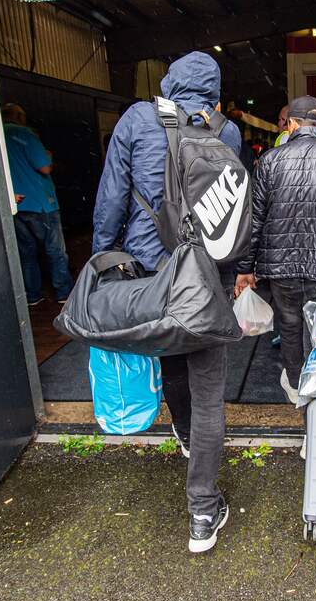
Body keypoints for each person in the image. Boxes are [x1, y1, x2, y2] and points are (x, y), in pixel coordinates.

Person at [92, 52, 242, 554]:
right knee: (208, 391)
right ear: (215, 94)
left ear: (169, 85)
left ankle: (182, 434)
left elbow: (111, 198)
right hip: (203, 280)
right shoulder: (229, 133)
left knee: (170, 358)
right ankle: (203, 509)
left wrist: (103, 261)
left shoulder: (136, 119)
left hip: (149, 275)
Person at [235, 95, 316, 417]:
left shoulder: (269, 161)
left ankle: (297, 389)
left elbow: (254, 221)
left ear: (291, 124)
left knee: (291, 327)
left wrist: (245, 268)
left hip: (280, 268)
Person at [2, 103, 73, 306]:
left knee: (27, 253)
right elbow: (44, 168)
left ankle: (33, 295)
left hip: (16, 204)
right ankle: (63, 292)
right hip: (41, 203)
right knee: (55, 250)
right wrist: (48, 158)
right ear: (18, 116)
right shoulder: (24, 134)